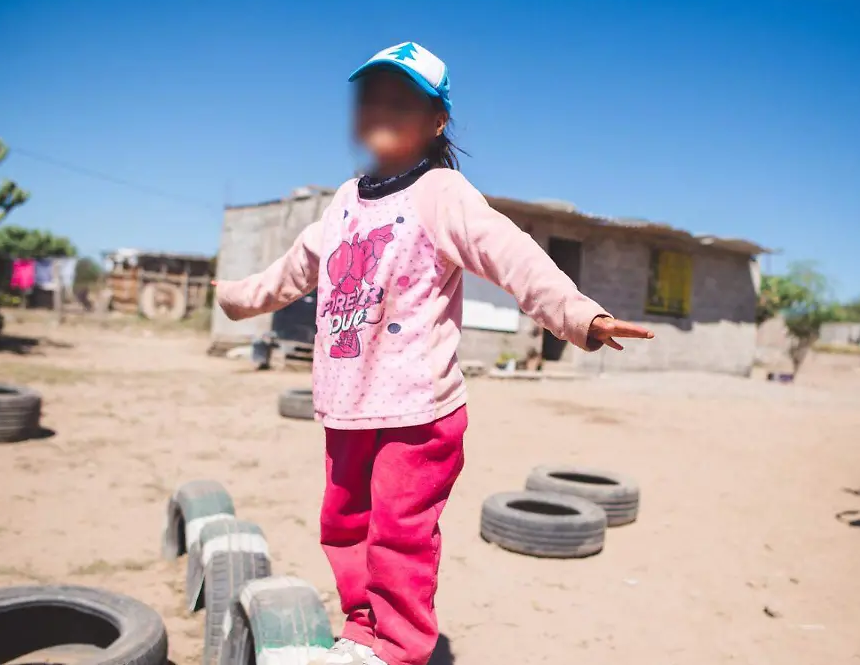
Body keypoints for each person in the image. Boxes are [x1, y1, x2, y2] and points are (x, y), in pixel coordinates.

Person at [214, 41, 654, 665]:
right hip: (348, 404)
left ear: (437, 120)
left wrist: (580, 314)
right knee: (344, 527)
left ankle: (397, 649)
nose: (382, 108)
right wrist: (236, 299)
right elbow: (298, 267)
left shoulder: (440, 193)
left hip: (419, 408)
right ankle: (361, 633)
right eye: (371, 97)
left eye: (402, 99)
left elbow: (511, 253)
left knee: (398, 535)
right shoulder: (344, 200)